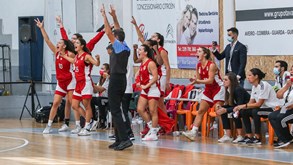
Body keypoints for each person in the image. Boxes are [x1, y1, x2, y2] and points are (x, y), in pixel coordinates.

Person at [35, 18, 76, 134]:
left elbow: (75, 61)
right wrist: (41, 28)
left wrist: (61, 26)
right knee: (56, 102)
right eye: (57, 43)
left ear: (64, 46)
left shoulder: (70, 53)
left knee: (71, 103)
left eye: (59, 43)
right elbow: (47, 40)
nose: (57, 44)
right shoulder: (56, 52)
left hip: (70, 80)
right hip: (60, 82)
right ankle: (48, 125)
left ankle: (72, 124)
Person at [100, 4, 132, 150]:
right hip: (122, 80)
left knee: (115, 110)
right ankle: (119, 139)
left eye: (114, 34)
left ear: (116, 38)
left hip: (116, 80)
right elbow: (118, 30)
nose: (112, 34)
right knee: (116, 109)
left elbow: (108, 31)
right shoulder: (125, 46)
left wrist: (104, 15)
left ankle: (125, 139)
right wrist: (114, 16)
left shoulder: (118, 45)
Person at [182, 47, 225, 141]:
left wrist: (197, 80)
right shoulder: (198, 65)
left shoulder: (212, 65)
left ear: (205, 54)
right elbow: (199, 80)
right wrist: (194, 81)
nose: (197, 52)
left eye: (199, 51)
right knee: (201, 110)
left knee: (219, 111)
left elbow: (210, 80)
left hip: (218, 89)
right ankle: (193, 132)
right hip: (208, 90)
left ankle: (226, 134)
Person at [61, 38, 100, 136]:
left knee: (87, 106)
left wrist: (98, 59)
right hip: (78, 84)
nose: (75, 44)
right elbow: (73, 61)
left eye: (77, 43)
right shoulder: (77, 56)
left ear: (82, 46)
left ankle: (87, 127)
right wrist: (64, 56)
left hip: (85, 83)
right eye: (75, 43)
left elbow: (96, 64)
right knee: (74, 105)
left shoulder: (86, 56)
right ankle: (90, 121)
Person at [234, 68, 281, 145]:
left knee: (256, 111)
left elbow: (259, 104)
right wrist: (241, 108)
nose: (248, 77)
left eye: (250, 75)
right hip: (263, 108)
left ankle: (258, 137)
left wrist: (243, 105)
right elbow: (251, 102)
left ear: (256, 76)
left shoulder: (263, 85)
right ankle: (249, 136)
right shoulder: (254, 87)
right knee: (244, 111)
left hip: (273, 108)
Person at [216, 72, 250, 143]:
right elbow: (231, 104)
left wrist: (226, 109)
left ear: (231, 81)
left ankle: (240, 135)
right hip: (237, 107)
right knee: (223, 111)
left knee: (235, 113)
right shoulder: (228, 89)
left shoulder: (238, 89)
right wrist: (222, 107)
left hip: (246, 107)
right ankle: (228, 135)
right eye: (223, 80)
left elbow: (239, 105)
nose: (223, 82)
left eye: (226, 80)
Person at [136, 44, 160, 141]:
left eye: (140, 49)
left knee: (153, 111)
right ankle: (152, 127)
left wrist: (146, 85)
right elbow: (141, 76)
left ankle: (153, 133)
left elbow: (155, 77)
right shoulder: (142, 63)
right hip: (145, 90)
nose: (138, 51)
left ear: (145, 52)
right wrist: (138, 82)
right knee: (140, 109)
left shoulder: (151, 63)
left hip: (153, 89)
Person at [269, 65, 293, 149]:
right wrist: (287, 86)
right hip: (287, 107)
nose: (291, 72)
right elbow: (278, 95)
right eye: (291, 70)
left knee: (281, 118)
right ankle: (287, 138)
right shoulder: (289, 83)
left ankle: (284, 139)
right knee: (272, 116)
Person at [90, 63, 110, 130]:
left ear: (107, 71)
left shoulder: (108, 79)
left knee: (99, 99)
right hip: (100, 97)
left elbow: (101, 89)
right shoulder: (100, 79)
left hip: (107, 98)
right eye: (101, 68)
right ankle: (94, 119)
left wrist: (92, 84)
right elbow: (96, 91)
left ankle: (103, 120)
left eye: (103, 69)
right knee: (90, 99)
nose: (101, 70)